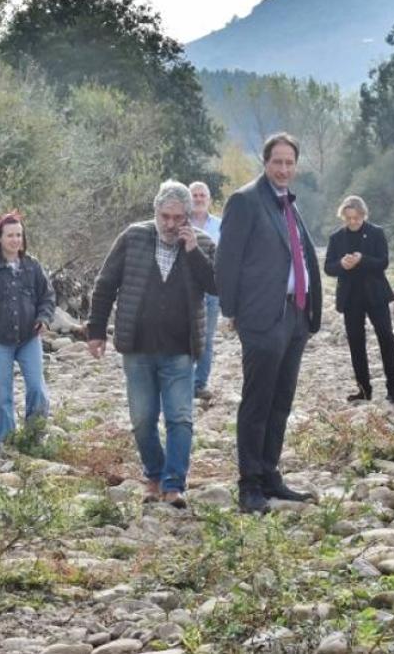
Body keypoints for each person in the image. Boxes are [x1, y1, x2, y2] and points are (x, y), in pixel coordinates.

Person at [87, 181, 217, 509]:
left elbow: (218, 285)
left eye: (178, 218)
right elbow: (105, 284)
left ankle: (174, 484)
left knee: (180, 418)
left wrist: (193, 253)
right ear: (155, 213)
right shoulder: (133, 237)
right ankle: (154, 474)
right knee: (143, 419)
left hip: (180, 349)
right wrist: (96, 330)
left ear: (189, 216)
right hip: (138, 347)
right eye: (165, 216)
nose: (171, 224)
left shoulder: (202, 243)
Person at [215, 132, 323, 514]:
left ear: (296, 165)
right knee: (258, 401)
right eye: (277, 162)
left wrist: (309, 313)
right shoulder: (245, 201)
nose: (283, 169)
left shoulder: (289, 204)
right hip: (261, 317)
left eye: (289, 163)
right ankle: (249, 484)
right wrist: (233, 312)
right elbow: (227, 259)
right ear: (265, 163)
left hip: (294, 317)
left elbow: (300, 256)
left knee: (282, 401)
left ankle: (271, 473)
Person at [0, 212, 55, 453]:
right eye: (10, 235)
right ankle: (4, 443)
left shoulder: (33, 266)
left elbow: (47, 297)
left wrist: (44, 319)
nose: (15, 240)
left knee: (38, 389)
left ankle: (34, 437)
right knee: (0, 395)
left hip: (29, 337)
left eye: (19, 235)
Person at [324, 195, 394, 404]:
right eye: (348, 218)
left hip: (376, 294)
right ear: (343, 217)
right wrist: (342, 264)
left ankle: (393, 389)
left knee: (386, 338)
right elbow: (328, 267)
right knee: (356, 343)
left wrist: (362, 260)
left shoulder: (376, 233)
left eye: (356, 218)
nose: (353, 222)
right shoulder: (336, 238)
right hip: (350, 298)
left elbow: (383, 262)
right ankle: (363, 389)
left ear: (363, 215)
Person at [188, 181, 222, 402]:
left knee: (206, 338)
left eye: (202, 195)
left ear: (209, 199)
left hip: (211, 290)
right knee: (183, 336)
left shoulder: (220, 225)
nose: (199, 199)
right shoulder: (180, 223)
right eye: (195, 195)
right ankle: (182, 380)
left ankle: (199, 384)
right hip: (185, 290)